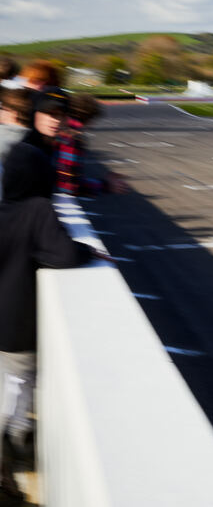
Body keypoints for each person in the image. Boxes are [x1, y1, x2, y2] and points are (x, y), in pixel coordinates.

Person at [0, 142, 96, 505]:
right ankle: (15, 449)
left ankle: (15, 450)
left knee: (9, 387)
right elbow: (64, 254)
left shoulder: (3, 211)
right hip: (18, 329)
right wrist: (87, 250)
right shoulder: (38, 209)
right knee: (19, 388)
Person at [56, 93, 128, 196]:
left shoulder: (59, 128)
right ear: (89, 119)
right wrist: (105, 185)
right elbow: (69, 185)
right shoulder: (74, 138)